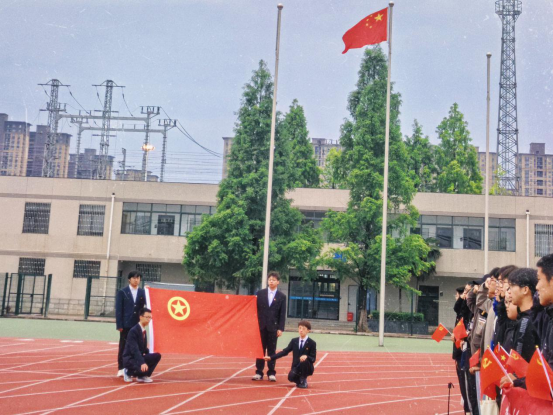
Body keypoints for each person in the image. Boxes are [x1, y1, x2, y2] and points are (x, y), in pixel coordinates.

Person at [253, 271, 287, 382]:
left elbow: (282, 313)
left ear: (278, 282)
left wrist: (280, 328)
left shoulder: (282, 296)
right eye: (270, 280)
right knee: (260, 350)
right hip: (261, 326)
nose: (271, 281)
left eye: (273, 280)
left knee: (272, 350)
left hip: (273, 327)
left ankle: (271, 372)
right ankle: (259, 372)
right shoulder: (260, 293)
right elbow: (254, 309)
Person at [264, 320, 316, 389]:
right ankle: (299, 380)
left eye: (303, 329)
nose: (301, 330)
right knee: (290, 377)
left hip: (307, 367)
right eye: (300, 328)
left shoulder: (312, 343)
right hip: (296, 366)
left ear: (308, 330)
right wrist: (271, 357)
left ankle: (303, 379)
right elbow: (284, 352)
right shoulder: (294, 341)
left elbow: (313, 359)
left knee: (304, 361)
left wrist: (306, 356)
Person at [115, 271, 146, 377]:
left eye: (138, 278)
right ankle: (121, 368)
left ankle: (133, 368)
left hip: (137, 324)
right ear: (129, 279)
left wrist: (149, 291)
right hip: (126, 324)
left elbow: (148, 303)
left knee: (137, 347)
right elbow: (119, 309)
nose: (136, 280)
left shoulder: (142, 292)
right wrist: (119, 325)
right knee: (123, 346)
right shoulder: (122, 292)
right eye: (134, 278)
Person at [123, 308, 161, 383]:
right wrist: (142, 363)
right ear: (141, 317)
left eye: (150, 318)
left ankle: (142, 376)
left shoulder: (143, 330)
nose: (149, 319)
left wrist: (150, 354)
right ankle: (128, 371)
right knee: (141, 365)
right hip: (130, 359)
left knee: (157, 356)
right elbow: (134, 350)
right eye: (147, 317)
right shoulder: (133, 331)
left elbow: (143, 348)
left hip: (137, 357)